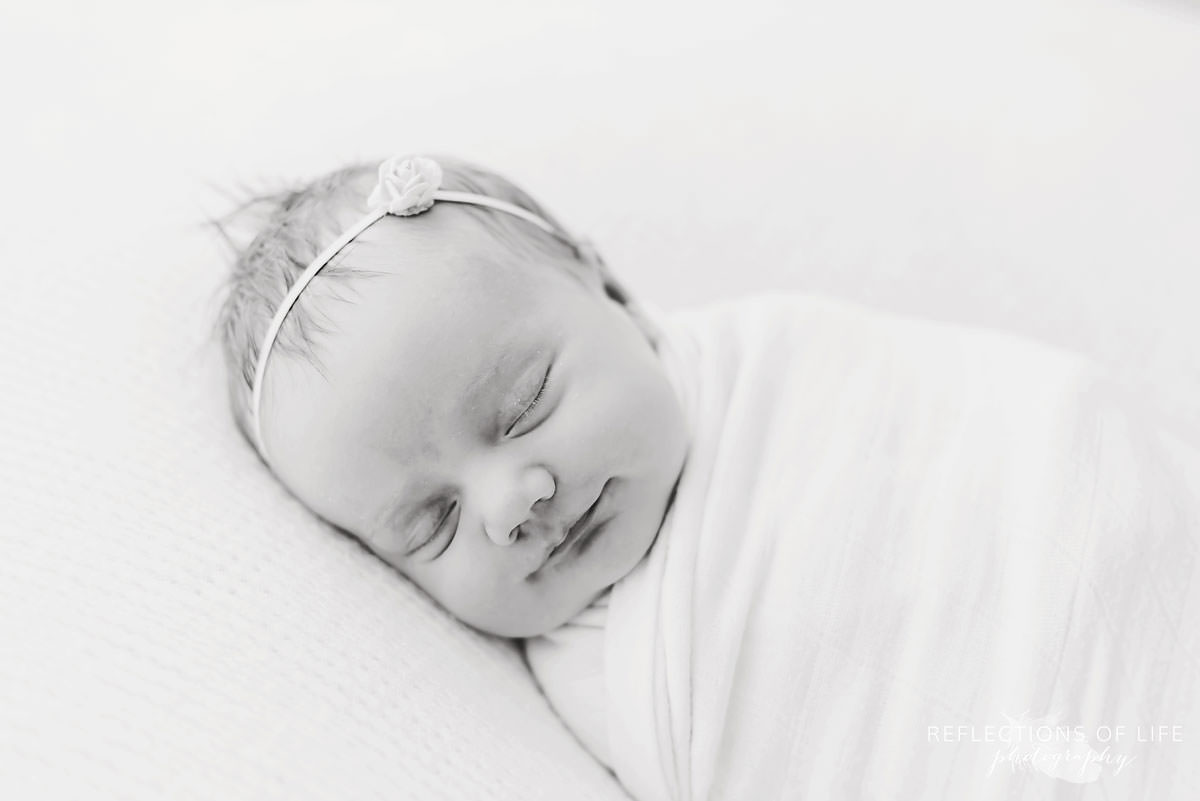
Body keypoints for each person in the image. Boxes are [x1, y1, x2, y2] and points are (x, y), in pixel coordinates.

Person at [214, 154, 1200, 798]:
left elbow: (1026, 446)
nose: (513, 502)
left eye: (524, 405)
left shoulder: (792, 373)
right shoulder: (589, 681)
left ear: (612, 292)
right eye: (431, 522)